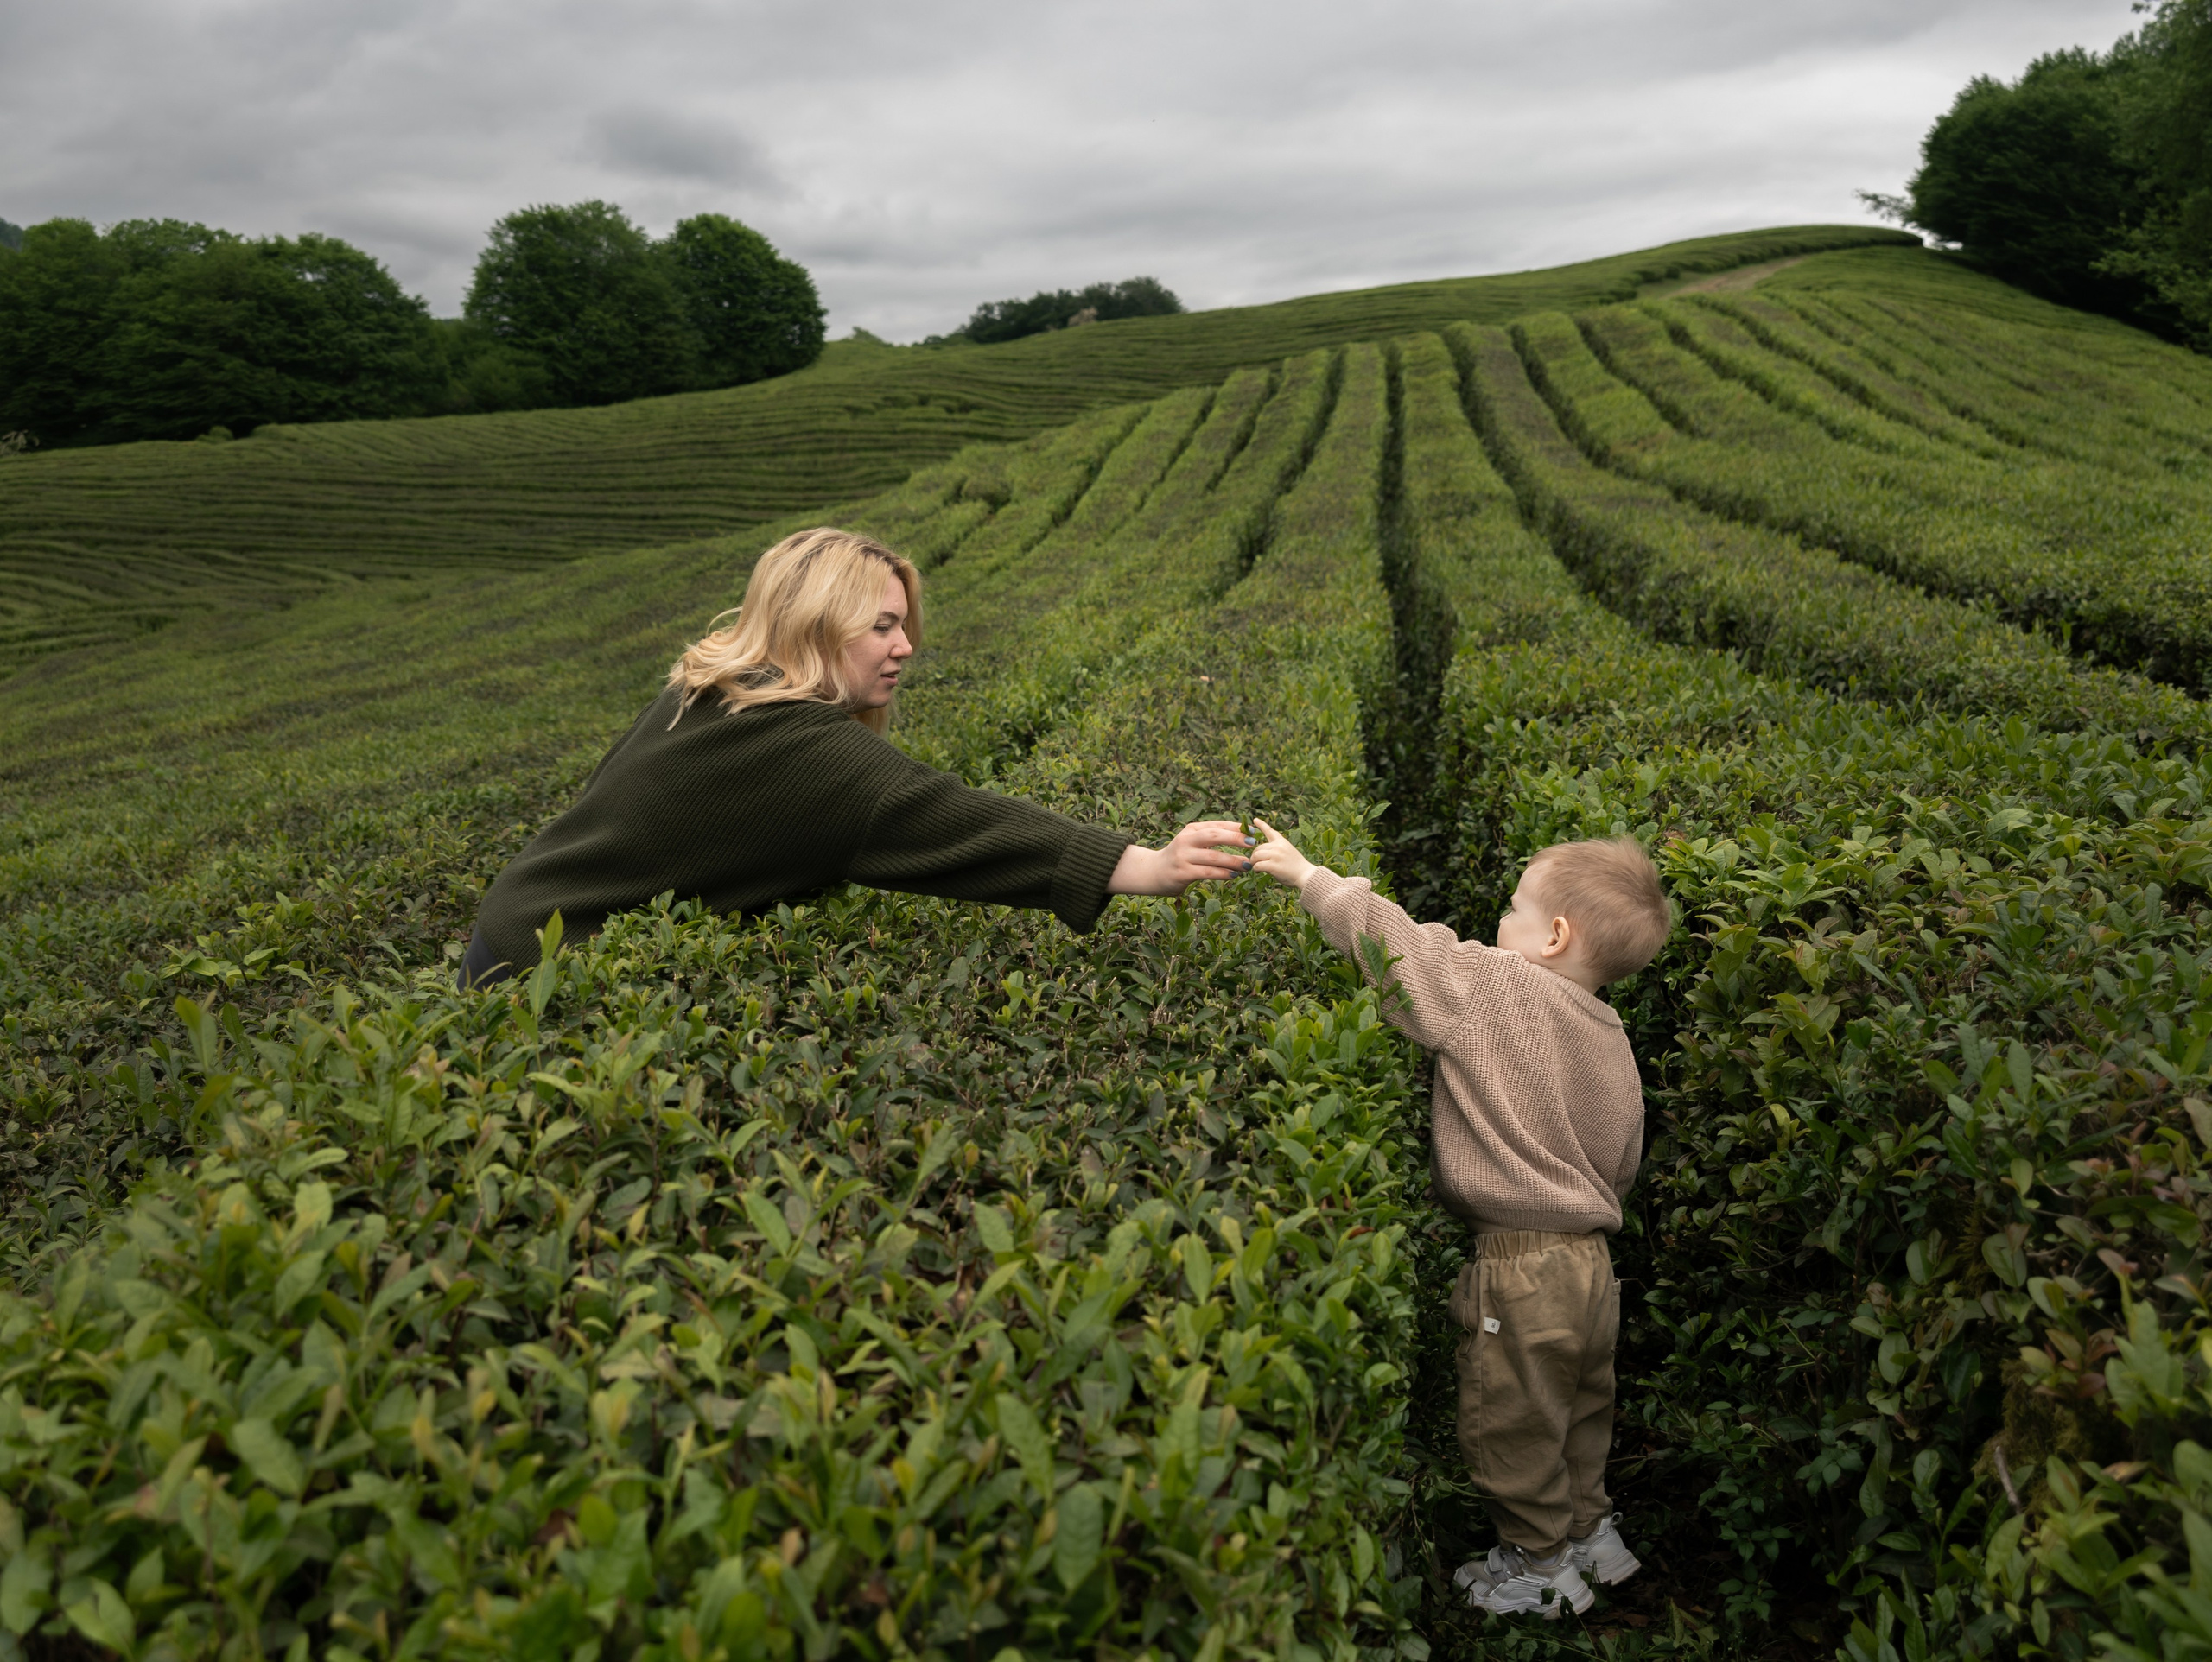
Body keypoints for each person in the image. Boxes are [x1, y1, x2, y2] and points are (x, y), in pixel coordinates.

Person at [459, 527, 1253, 987]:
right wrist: (1146, 867)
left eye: (902, 624)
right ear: (816, 622)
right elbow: (946, 816)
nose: (905, 646)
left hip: (516, 925)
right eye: (881, 626)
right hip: (538, 972)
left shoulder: (713, 688)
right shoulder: (803, 747)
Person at [1245, 821, 1672, 1621]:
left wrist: (1311, 878)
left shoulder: (1498, 985)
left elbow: (1408, 952)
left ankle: (1539, 1568)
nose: (1497, 924)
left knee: (1510, 1421)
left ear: (1554, 936)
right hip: (1593, 1268)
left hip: (1520, 1268)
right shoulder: (1609, 1032)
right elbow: (1621, 1157)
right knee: (1581, 1412)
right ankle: (1593, 1535)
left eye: (1513, 909)